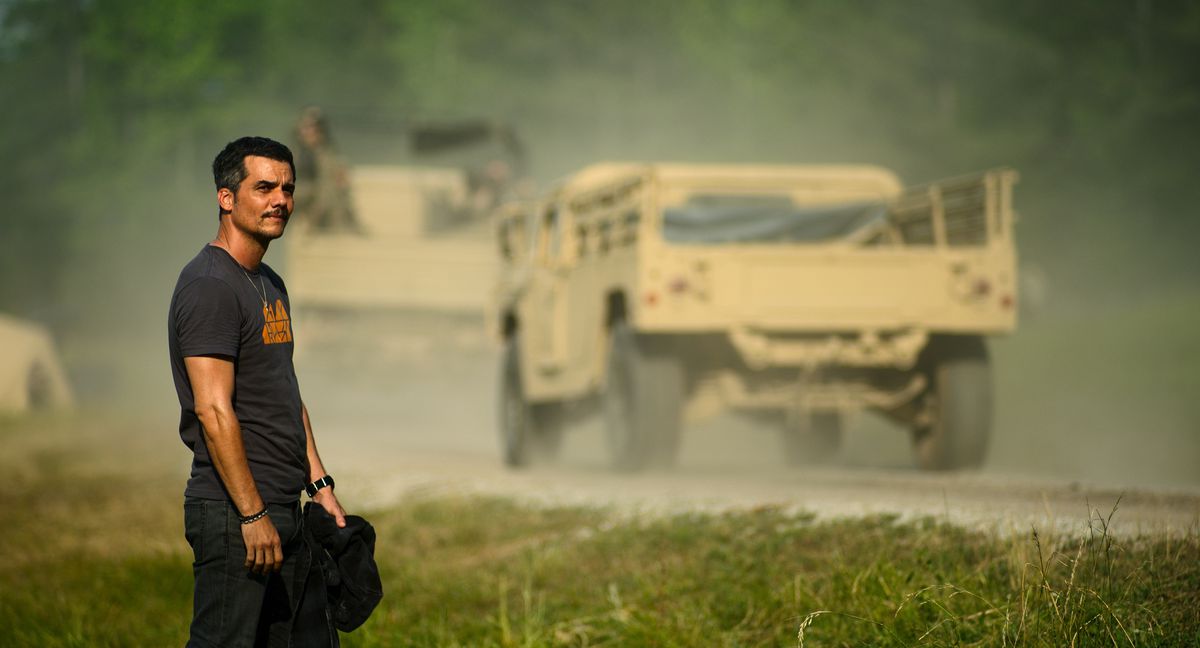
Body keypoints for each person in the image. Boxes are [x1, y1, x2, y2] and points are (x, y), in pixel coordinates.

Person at [168, 136, 346, 646]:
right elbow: (213, 409)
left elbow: (285, 390)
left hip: (284, 507)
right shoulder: (210, 286)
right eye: (264, 187)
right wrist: (252, 514)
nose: (280, 200)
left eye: (288, 188)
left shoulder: (269, 282)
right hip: (234, 513)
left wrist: (319, 483)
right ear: (226, 197)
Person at [293, 107, 364, 234]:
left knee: (333, 194)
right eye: (306, 127)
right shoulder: (294, 153)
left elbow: (336, 179)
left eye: (314, 128)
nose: (309, 132)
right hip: (299, 200)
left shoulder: (328, 154)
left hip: (324, 205)